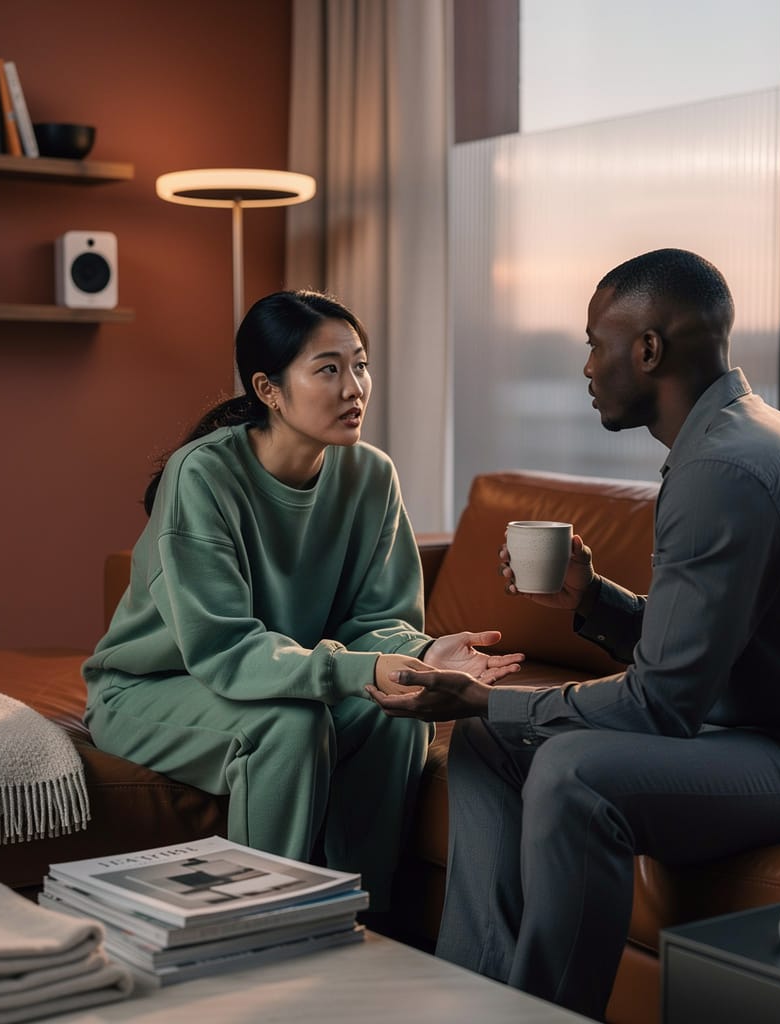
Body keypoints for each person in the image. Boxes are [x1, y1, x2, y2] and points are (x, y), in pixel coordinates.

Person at [367, 249, 780, 1018]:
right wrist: (592, 598)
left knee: (574, 772)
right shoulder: (739, 439)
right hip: (767, 730)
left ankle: (544, 1013)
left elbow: (662, 704)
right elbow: (702, 655)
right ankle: (477, 997)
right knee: (492, 745)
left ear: (649, 349)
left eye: (595, 343)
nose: (586, 367)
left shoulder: (724, 471)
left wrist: (480, 698)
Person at [82, 289, 522, 912]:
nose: (354, 388)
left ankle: (365, 923)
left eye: (360, 365)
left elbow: (378, 620)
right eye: (328, 369)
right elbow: (222, 649)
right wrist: (356, 668)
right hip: (153, 688)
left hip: (281, 680)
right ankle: (267, 927)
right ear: (269, 389)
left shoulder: (372, 475)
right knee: (288, 726)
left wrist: (422, 655)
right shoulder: (202, 475)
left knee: (395, 712)